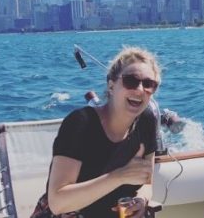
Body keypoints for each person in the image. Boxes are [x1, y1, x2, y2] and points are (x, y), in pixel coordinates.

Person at [31, 46, 161, 218]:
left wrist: (142, 200)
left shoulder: (147, 121)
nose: (139, 89)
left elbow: (147, 183)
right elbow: (57, 203)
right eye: (131, 80)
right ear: (111, 85)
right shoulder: (81, 124)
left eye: (148, 84)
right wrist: (118, 177)